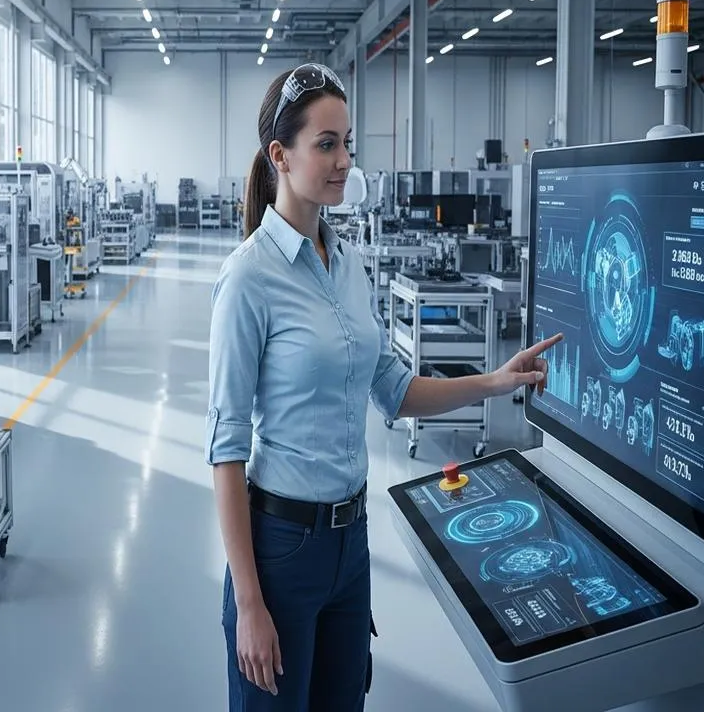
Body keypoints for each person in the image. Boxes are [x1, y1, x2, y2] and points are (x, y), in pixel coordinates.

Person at [205, 63, 561, 711]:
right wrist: (250, 604)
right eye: (327, 144)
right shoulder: (248, 279)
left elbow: (393, 390)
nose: (345, 161)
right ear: (279, 156)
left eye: (349, 144)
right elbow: (225, 452)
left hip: (350, 546)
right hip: (282, 551)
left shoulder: (344, 264)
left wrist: (497, 380)